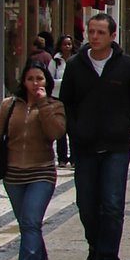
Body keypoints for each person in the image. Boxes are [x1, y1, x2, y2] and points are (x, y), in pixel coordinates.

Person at [59, 13, 130, 260]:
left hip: (116, 146)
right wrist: (73, 135)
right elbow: (65, 106)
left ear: (113, 36)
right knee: (87, 205)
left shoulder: (127, 66)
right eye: (91, 31)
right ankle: (96, 246)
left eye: (101, 32)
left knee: (112, 205)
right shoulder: (76, 66)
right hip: (85, 147)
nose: (95, 37)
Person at [0, 60, 67, 260]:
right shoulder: (9, 106)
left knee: (30, 221)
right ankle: (38, 253)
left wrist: (42, 104)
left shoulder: (54, 105)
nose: (35, 83)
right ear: (23, 81)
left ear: (46, 81)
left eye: (39, 78)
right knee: (27, 224)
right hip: (13, 175)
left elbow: (56, 133)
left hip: (42, 173)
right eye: (30, 79)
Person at [49, 35, 76, 167]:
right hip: (57, 98)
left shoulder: (76, 60)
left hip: (72, 99)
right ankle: (62, 158)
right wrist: (63, 82)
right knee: (61, 129)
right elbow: (49, 80)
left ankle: (74, 157)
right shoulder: (55, 61)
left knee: (73, 128)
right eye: (65, 44)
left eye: (69, 44)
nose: (67, 47)